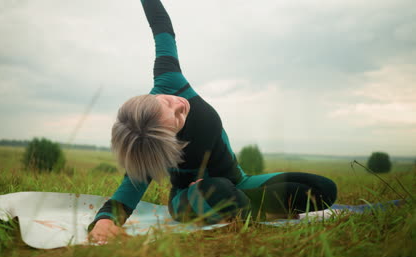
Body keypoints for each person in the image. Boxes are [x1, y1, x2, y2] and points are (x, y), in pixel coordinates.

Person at [88, 0, 337, 244]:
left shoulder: (168, 79)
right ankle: (246, 208)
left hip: (239, 182)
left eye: (166, 103)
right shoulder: (155, 146)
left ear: (150, 98)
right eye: (177, 119)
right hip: (192, 196)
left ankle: (248, 209)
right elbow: (129, 191)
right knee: (218, 191)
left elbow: (161, 27)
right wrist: (105, 220)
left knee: (322, 190)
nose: (179, 106)